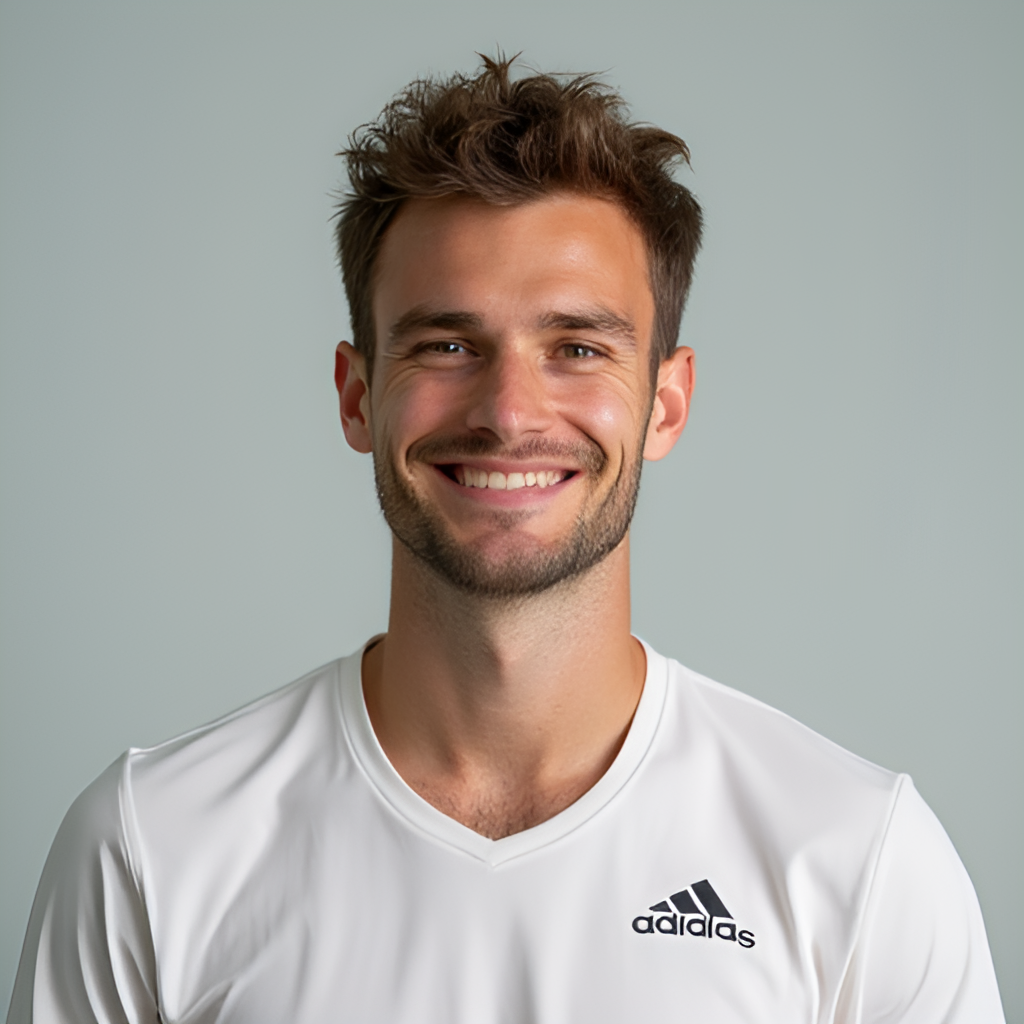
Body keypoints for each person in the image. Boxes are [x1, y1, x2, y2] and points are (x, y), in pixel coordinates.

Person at [7, 55, 1004, 1024]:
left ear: (665, 401)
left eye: (576, 348)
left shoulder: (855, 856)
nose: (509, 410)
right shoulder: (150, 845)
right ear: (358, 396)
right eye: (447, 345)